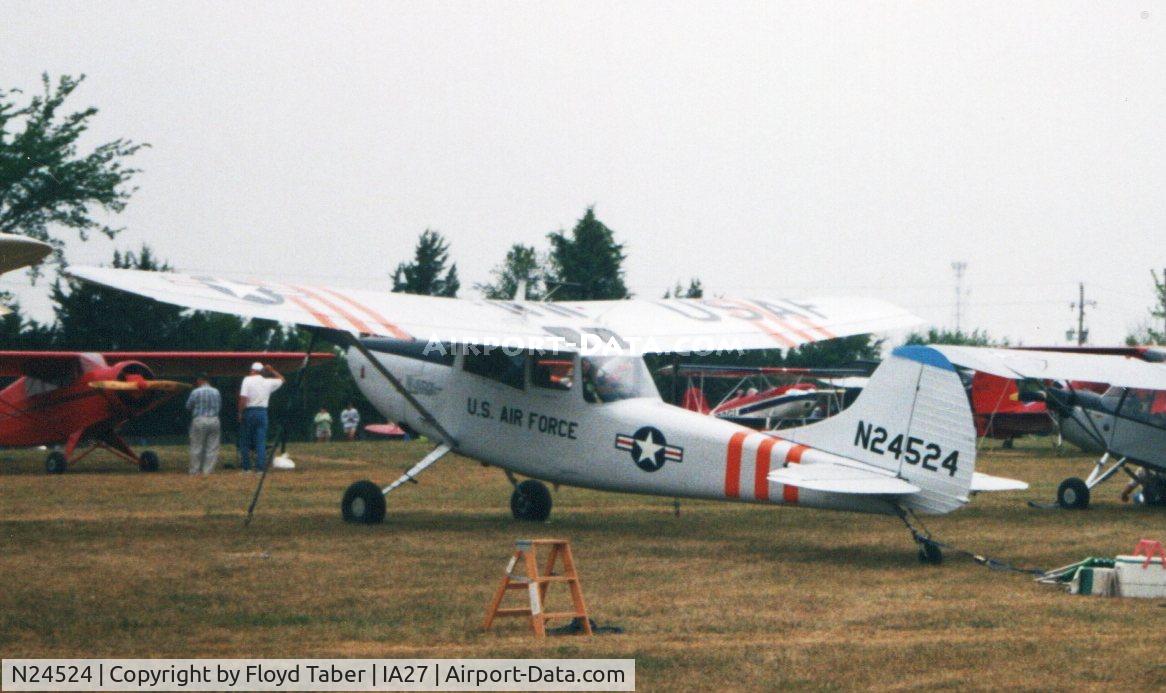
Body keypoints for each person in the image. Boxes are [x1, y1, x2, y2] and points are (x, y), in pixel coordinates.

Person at [237, 362, 284, 473]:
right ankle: (260, 469)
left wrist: (240, 413)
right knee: (261, 442)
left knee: (245, 441)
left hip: (249, 411)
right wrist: (272, 370)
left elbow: (243, 398)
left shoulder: (247, 380)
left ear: (252, 370)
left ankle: (246, 468)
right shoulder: (267, 382)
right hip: (262, 412)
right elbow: (282, 379)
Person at [185, 373, 221, 475]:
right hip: (214, 419)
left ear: (200, 380)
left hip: (199, 419)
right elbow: (219, 405)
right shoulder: (216, 391)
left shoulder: (195, 392)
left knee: (196, 446)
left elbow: (188, 406)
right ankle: (207, 471)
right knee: (212, 447)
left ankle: (195, 471)